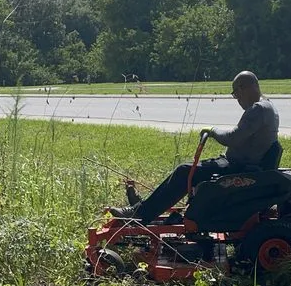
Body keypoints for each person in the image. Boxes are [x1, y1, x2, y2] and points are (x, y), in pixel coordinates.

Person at [109, 71, 280, 223]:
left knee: (184, 171)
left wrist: (212, 130)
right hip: (242, 165)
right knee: (189, 170)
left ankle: (140, 214)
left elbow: (232, 138)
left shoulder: (258, 109)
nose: (237, 99)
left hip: (239, 168)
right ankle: (145, 207)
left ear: (244, 88)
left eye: (236, 94)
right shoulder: (268, 106)